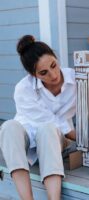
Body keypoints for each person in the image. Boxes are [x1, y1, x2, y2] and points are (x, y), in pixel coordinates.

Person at [0, 35, 76, 200]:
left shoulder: (76, 80)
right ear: (33, 74)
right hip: (27, 138)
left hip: (55, 139)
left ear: (55, 58)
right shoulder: (23, 88)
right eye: (44, 73)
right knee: (8, 127)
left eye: (54, 65)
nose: (53, 75)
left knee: (48, 130)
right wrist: (76, 135)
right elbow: (47, 118)